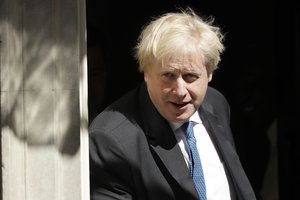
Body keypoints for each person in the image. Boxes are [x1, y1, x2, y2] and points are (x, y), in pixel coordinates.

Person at [89, 7, 256, 200]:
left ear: (209, 73)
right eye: (168, 75)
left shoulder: (215, 103)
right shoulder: (110, 139)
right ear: (146, 73)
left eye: (190, 76)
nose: (180, 91)